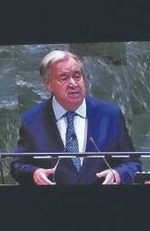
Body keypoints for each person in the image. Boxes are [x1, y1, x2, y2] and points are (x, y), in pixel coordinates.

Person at [10, 50, 140, 186]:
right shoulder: (32, 120)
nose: (73, 83)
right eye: (64, 78)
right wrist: (35, 173)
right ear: (48, 84)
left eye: (77, 76)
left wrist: (118, 174)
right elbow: (18, 165)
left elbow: (132, 163)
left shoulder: (110, 115)